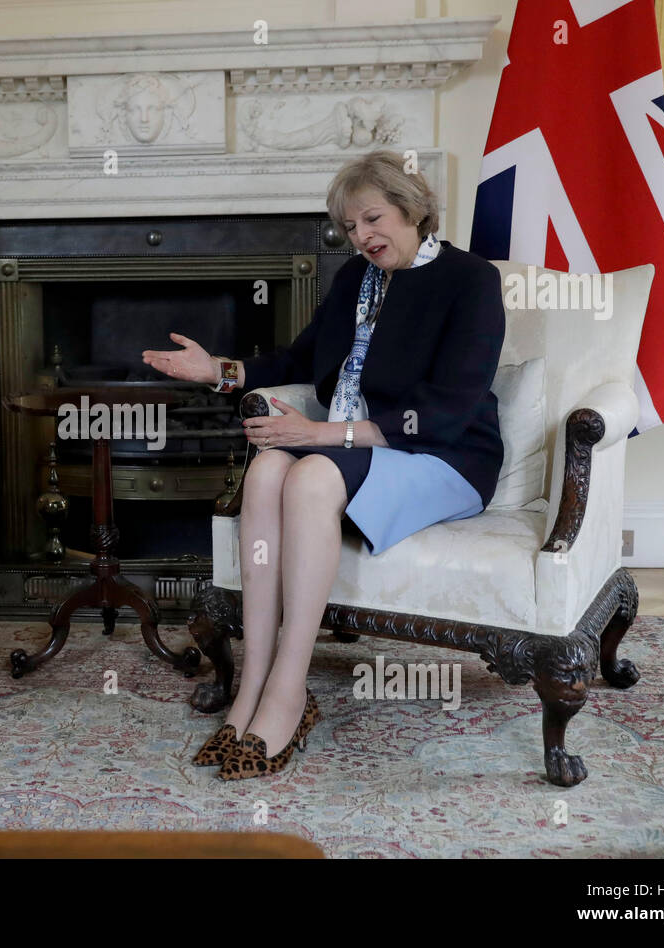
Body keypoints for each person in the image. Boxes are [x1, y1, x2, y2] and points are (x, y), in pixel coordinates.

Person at [142, 150, 505, 780]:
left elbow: (447, 411)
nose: (362, 236)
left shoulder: (470, 279)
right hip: (361, 450)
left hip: (445, 454)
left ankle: (289, 687)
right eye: (350, 227)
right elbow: (299, 358)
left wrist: (321, 433)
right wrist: (218, 370)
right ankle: (251, 682)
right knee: (264, 470)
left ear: (413, 208)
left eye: (373, 218)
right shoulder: (353, 283)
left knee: (308, 472)